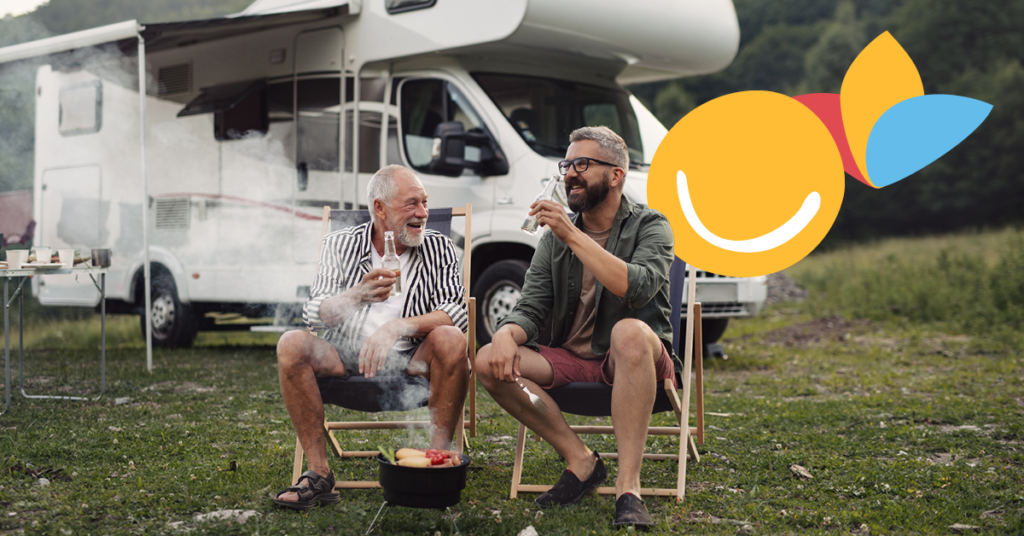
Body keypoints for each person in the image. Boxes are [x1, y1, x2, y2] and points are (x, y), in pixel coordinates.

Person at [476, 126, 676, 529]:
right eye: (567, 164)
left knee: (629, 332)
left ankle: (628, 488)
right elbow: (531, 308)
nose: (570, 173)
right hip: (571, 359)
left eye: (583, 164)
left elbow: (635, 288)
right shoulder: (554, 239)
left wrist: (569, 233)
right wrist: (503, 335)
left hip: (634, 360)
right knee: (487, 360)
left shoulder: (651, 226)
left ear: (616, 174)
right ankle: (582, 461)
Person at [273, 164, 470, 510]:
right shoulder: (341, 244)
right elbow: (314, 312)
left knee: (452, 338)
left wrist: (397, 326)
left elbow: (456, 312)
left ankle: (435, 462)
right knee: (291, 343)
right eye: (412, 204)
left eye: (425, 203)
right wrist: (356, 296)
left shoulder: (439, 248)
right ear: (380, 208)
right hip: (346, 355)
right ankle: (319, 473)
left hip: (413, 359)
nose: (423, 213)